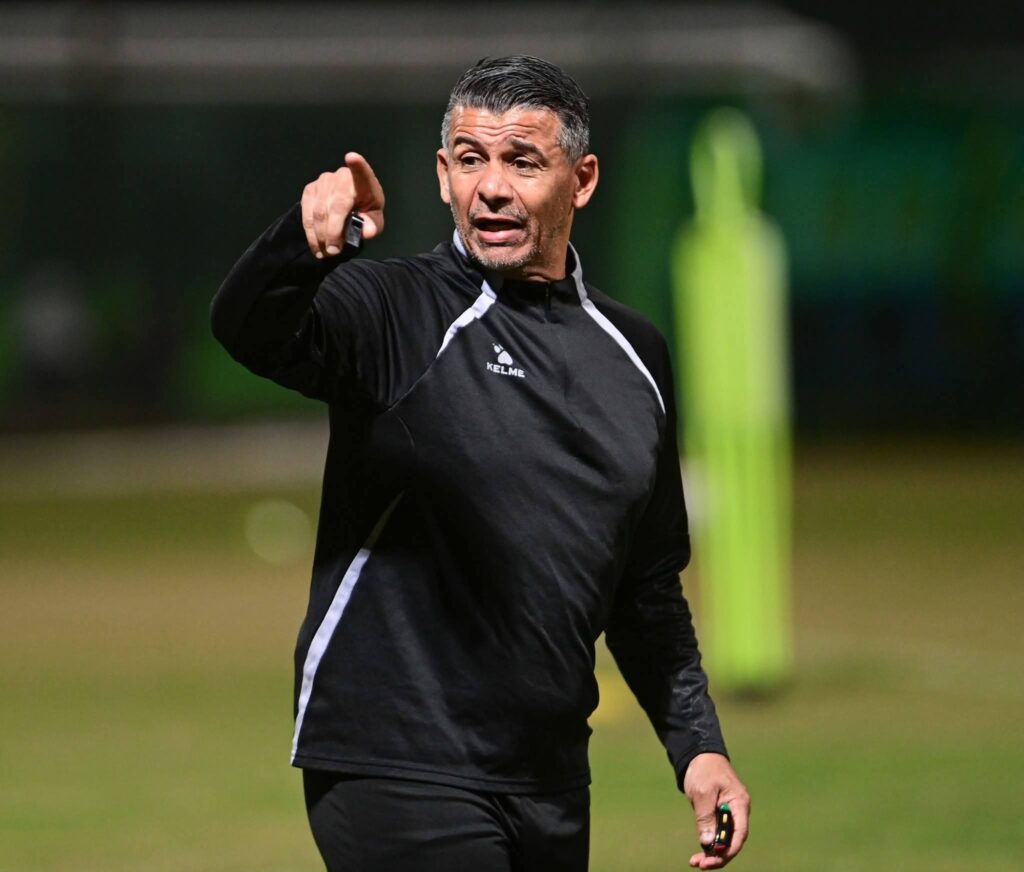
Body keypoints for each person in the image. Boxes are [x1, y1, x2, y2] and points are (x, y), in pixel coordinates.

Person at [212, 55, 749, 871]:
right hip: (395, 761)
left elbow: (644, 589)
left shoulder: (636, 355)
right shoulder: (396, 311)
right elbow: (248, 328)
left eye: (522, 161)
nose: (490, 187)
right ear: (442, 175)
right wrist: (303, 241)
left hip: (549, 777)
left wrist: (698, 747)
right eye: (470, 159)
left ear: (582, 180)